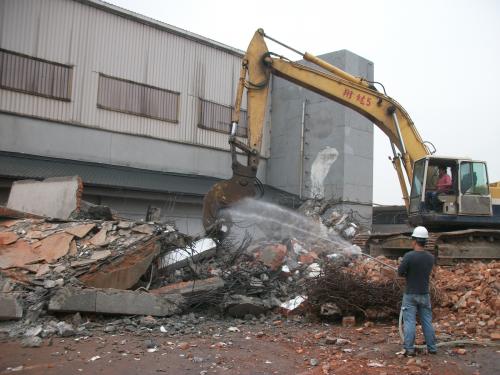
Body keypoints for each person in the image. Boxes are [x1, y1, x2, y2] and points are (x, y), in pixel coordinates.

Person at [397, 226, 437, 356]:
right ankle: (432, 348)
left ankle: (409, 349)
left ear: (414, 241)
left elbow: (400, 273)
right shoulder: (430, 258)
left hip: (410, 294)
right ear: (425, 241)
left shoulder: (409, 256)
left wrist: (403, 265)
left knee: (409, 322)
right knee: (427, 321)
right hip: (424, 294)